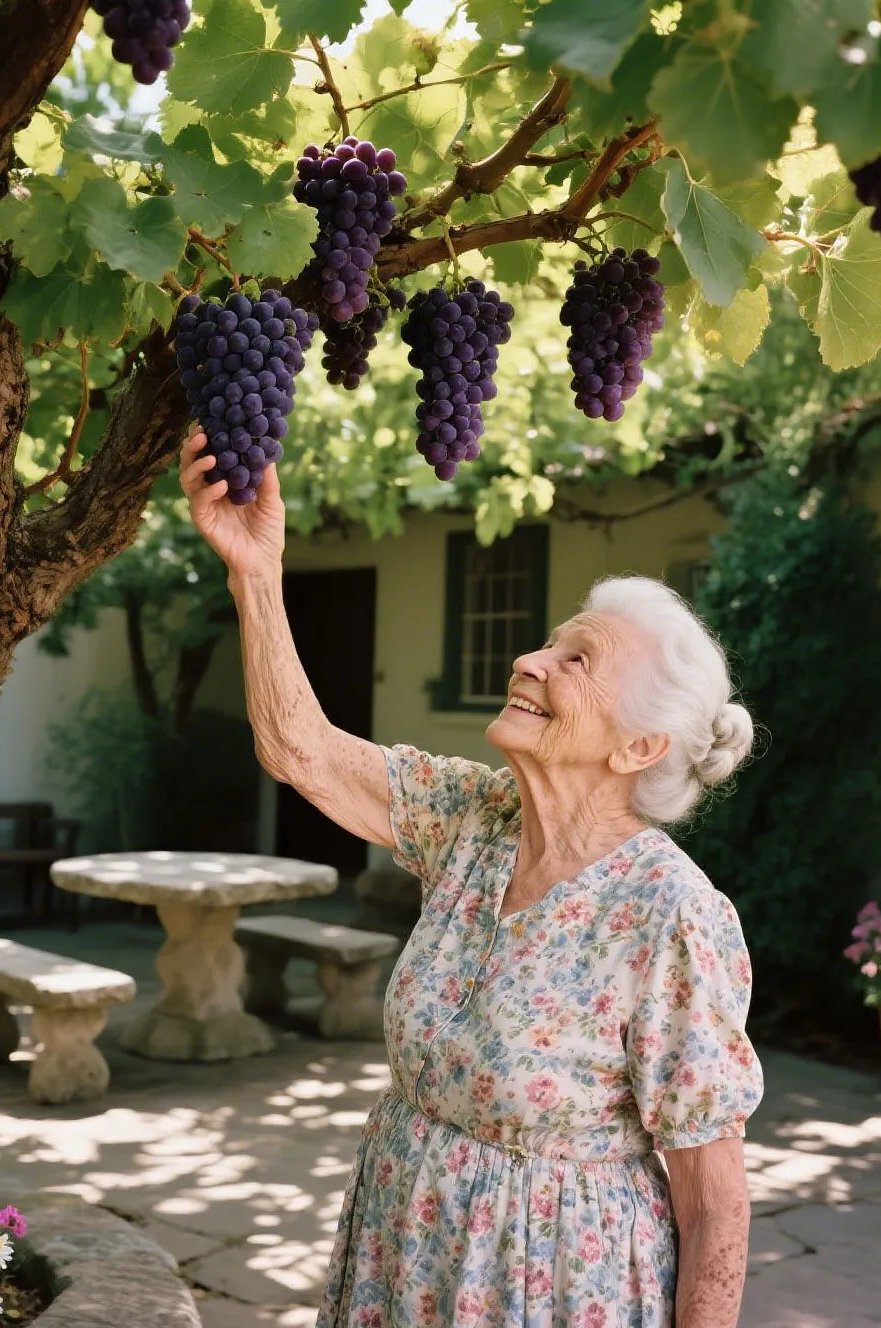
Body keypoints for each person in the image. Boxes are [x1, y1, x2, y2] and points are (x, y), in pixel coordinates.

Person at [180, 426, 765, 1328]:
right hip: (407, 1253)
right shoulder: (474, 818)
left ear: (638, 747)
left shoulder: (670, 912)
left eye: (577, 661)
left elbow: (714, 1201)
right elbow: (301, 750)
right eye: (549, 644)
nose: (529, 661)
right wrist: (255, 573)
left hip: (549, 1285)